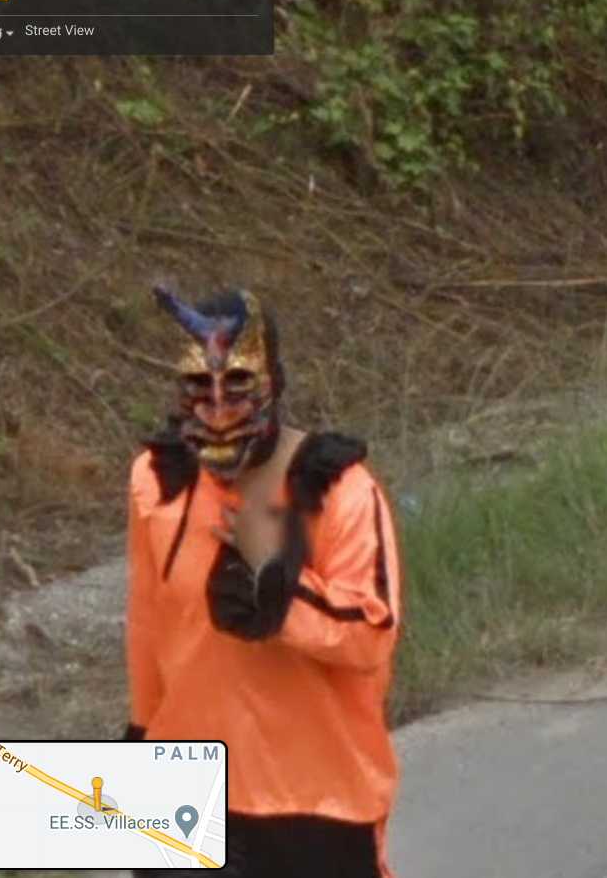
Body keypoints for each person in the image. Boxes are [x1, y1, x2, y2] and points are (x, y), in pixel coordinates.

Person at [127, 287, 404, 877]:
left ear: (273, 381)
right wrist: (142, 740)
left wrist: (278, 584)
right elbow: (149, 622)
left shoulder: (340, 490)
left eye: (238, 385)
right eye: (200, 386)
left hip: (315, 799)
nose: (218, 407)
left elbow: (371, 635)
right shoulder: (157, 480)